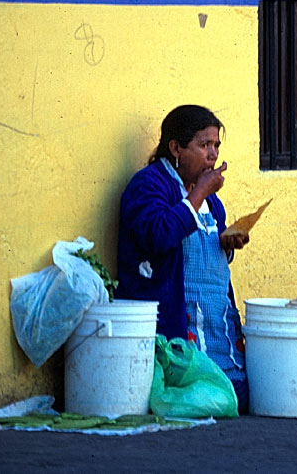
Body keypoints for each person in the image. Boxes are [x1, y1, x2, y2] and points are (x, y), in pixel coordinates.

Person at [116, 104, 250, 413]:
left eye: (216, 146)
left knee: (238, 393)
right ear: (176, 148)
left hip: (216, 327)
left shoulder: (212, 202)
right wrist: (198, 194)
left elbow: (202, 257)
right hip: (176, 332)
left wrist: (226, 243)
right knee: (209, 396)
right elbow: (158, 236)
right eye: (204, 145)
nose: (212, 155)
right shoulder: (148, 186)